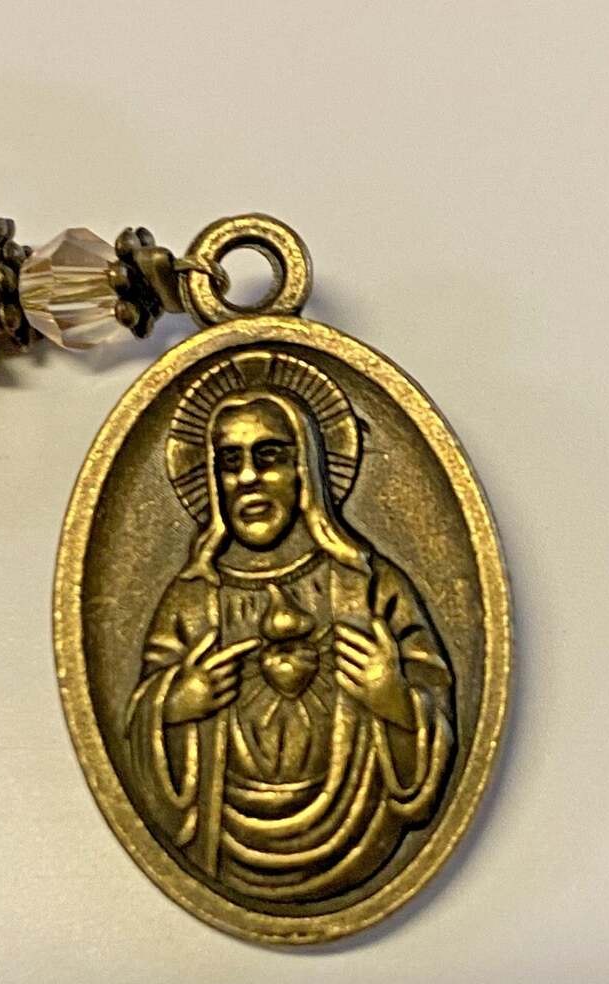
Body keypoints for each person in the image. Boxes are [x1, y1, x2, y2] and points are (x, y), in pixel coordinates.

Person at [126, 351, 455, 904]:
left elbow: (436, 705)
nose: (247, 478)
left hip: (357, 834)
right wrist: (176, 704)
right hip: (222, 836)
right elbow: (139, 723)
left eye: (269, 456)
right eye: (229, 462)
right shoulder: (194, 598)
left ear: (307, 469)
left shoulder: (367, 585)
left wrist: (394, 698)